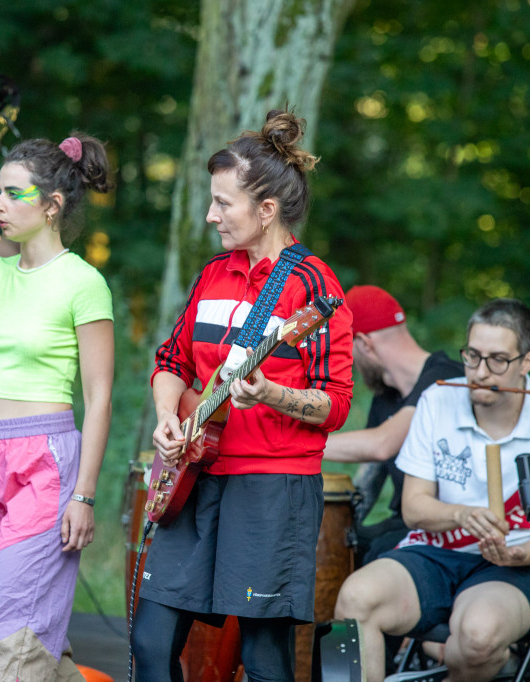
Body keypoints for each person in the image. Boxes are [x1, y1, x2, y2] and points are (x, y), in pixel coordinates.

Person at [131, 110, 354, 682]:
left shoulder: (315, 289)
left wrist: (272, 393)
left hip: (271, 486)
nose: (211, 215)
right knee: (151, 642)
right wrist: (166, 417)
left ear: (267, 209)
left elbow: (336, 404)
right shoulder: (213, 274)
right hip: (194, 477)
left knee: (263, 658)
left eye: (223, 204)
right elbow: (171, 361)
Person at [334, 298, 530, 682]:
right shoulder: (438, 400)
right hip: (435, 551)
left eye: (497, 360)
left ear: (527, 361)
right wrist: (460, 515)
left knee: (477, 637)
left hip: (518, 567)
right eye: (472, 356)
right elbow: (414, 508)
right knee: (355, 599)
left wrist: (516, 552)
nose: (480, 371)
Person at [0, 133, 114, 681]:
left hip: (45, 459)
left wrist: (83, 494)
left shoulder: (83, 282)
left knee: (2, 628)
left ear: (52, 204)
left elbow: (100, 396)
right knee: (26, 625)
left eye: (13, 194)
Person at [323, 285, 463, 564]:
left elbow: (383, 444)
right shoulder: (385, 396)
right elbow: (369, 482)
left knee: (373, 557)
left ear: (364, 343)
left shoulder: (446, 377)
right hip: (402, 525)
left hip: (447, 527)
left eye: (347, 349)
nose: (349, 363)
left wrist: (294, 445)